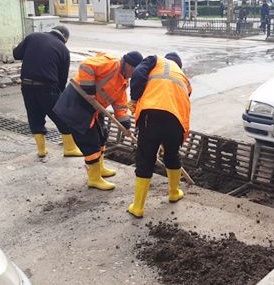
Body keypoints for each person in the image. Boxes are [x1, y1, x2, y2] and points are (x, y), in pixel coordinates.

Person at [53, 51, 143, 191]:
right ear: (130, 66)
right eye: (135, 71)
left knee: (102, 136)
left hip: (94, 108)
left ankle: (99, 168)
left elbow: (120, 103)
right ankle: (94, 179)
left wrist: (124, 122)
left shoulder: (123, 80)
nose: (134, 75)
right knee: (90, 142)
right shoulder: (113, 64)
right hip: (78, 102)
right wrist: (88, 88)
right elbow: (86, 66)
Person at [127, 52, 192, 218]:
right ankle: (173, 192)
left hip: (152, 114)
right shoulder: (184, 78)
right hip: (176, 120)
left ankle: (138, 207)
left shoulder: (156, 60)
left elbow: (138, 73)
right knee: (171, 155)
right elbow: (181, 99)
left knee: (145, 158)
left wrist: (134, 99)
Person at [12, 25, 82, 159]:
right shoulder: (63, 49)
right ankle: (70, 148)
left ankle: (42, 150)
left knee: (35, 116)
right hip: (47, 87)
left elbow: (16, 54)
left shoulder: (33, 36)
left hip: (26, 85)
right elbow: (62, 78)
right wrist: (59, 95)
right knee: (62, 117)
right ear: (64, 38)